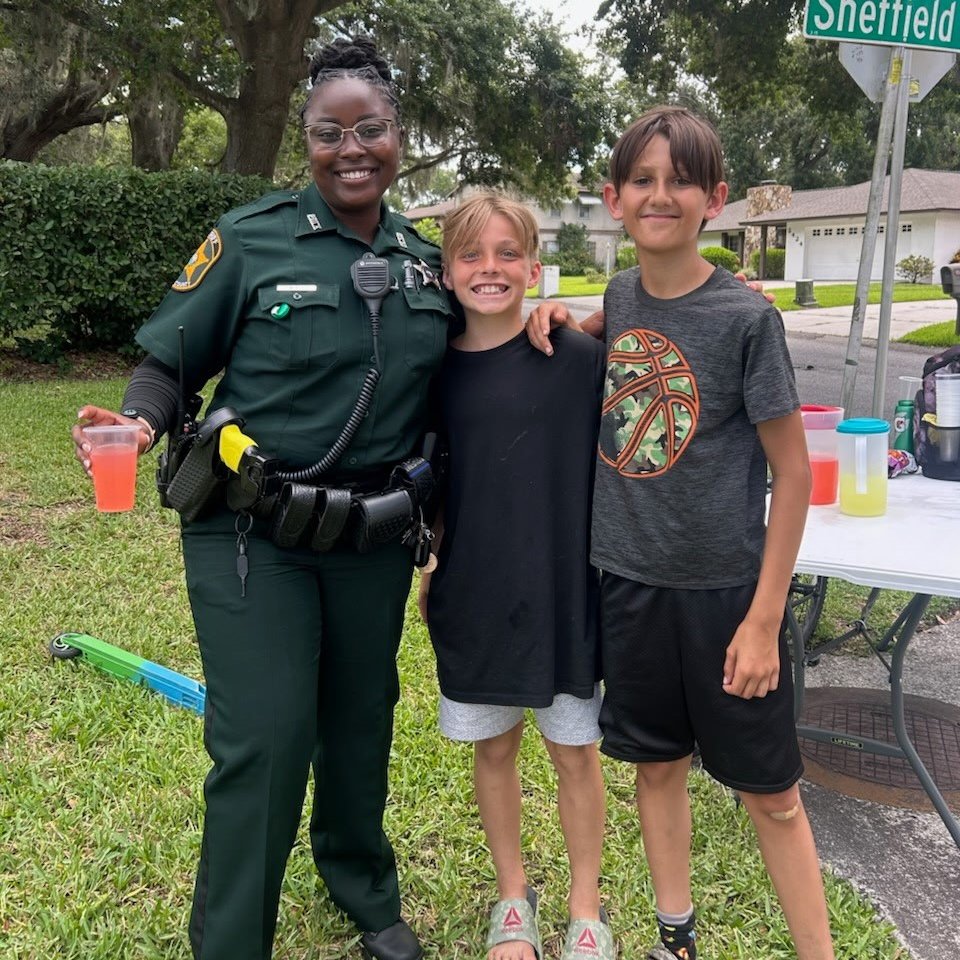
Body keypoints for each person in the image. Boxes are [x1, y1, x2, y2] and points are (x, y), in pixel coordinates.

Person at [71, 37, 456, 960]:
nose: (350, 149)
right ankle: (233, 939)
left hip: (371, 540)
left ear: (400, 138)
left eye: (370, 130)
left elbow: (476, 370)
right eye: (330, 132)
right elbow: (168, 364)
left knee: (359, 726)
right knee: (270, 738)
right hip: (255, 534)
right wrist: (137, 423)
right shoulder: (250, 239)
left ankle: (360, 884)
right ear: (307, 141)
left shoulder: (425, 262)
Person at [543, 106, 833, 960]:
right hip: (629, 587)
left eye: (679, 181)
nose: (659, 196)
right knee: (656, 768)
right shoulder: (622, 292)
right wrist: (572, 318)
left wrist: (763, 620)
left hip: (728, 600)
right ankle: (678, 938)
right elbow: (618, 331)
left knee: (772, 795)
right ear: (612, 198)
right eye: (643, 180)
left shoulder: (747, 322)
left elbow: (797, 473)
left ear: (717, 198)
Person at [419, 194, 614, 960]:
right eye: (471, 254)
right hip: (474, 594)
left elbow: (657, 361)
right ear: (445, 270)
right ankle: (512, 900)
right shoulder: (428, 371)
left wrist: (581, 319)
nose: (490, 269)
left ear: (535, 268)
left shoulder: (577, 360)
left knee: (576, 754)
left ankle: (585, 907)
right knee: (492, 750)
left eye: (508, 254)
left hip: (568, 594)